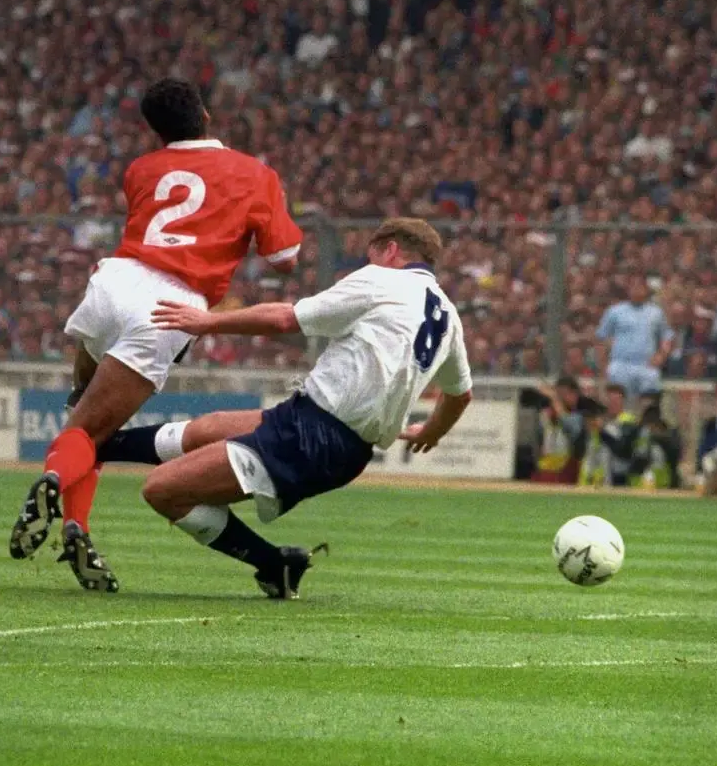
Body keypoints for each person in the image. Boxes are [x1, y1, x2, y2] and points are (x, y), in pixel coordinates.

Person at [7, 78, 303, 591]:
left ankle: (76, 525)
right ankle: (55, 482)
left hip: (113, 279)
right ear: (206, 115)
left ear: (154, 128)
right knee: (91, 433)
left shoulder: (141, 169)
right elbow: (284, 260)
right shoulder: (256, 174)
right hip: (170, 303)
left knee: (82, 416)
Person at [117, 218, 472, 598]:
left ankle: (273, 563)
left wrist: (207, 322)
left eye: (370, 256)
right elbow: (460, 394)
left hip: (313, 435)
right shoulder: (448, 317)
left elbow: (286, 318)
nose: (365, 265)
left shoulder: (382, 280)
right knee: (209, 428)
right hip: (336, 441)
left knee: (163, 490)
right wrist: (431, 432)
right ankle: (95, 445)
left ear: (390, 250)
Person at [595, 275, 672, 403]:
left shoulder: (656, 313)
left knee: (649, 403)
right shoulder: (615, 311)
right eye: (633, 287)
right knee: (619, 403)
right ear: (628, 289)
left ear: (646, 290)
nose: (636, 290)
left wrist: (661, 356)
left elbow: (667, 338)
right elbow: (601, 338)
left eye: (640, 287)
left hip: (646, 366)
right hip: (620, 365)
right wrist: (603, 366)